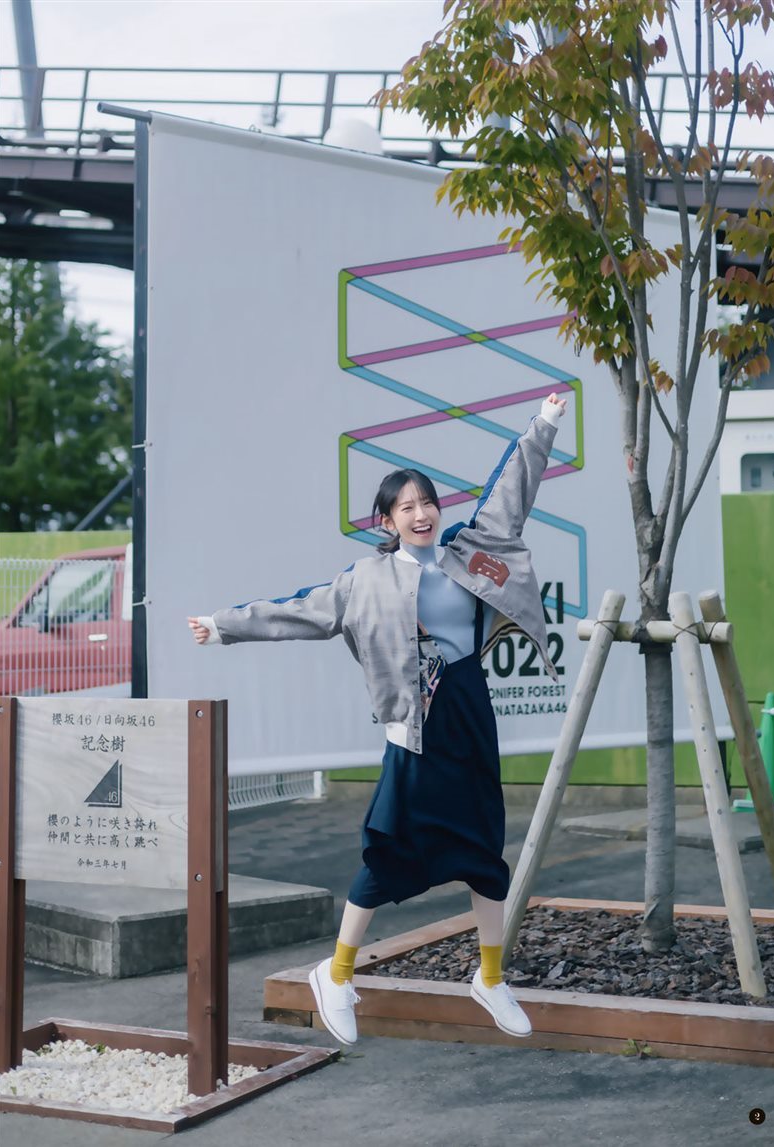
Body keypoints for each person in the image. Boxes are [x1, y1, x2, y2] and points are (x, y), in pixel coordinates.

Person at [188, 392, 566, 1045]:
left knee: (484, 848)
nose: (421, 514)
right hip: (415, 727)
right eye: (406, 507)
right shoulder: (365, 579)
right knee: (390, 847)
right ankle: (335, 974)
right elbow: (297, 611)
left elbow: (512, 489)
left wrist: (545, 423)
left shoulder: (470, 549)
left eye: (428, 503)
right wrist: (222, 625)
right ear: (386, 520)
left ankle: (491, 977)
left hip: (470, 712)